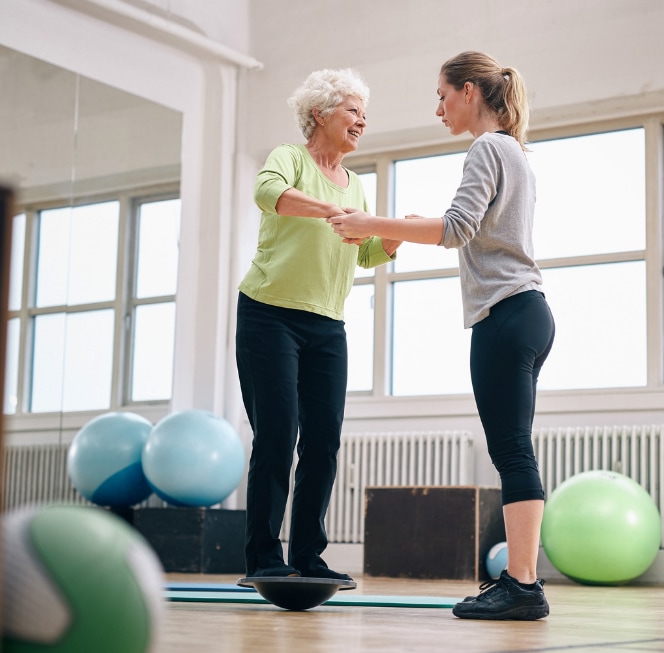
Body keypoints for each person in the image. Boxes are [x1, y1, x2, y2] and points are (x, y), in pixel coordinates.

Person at [328, 51, 555, 620]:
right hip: (528, 311)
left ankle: (523, 585)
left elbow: (457, 229)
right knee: (515, 449)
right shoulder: (516, 152)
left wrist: (372, 223)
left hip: (505, 314)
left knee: (510, 452)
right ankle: (524, 583)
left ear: (471, 91)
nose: (438, 108)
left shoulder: (487, 147)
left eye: (443, 95)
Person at [236, 68, 400, 582]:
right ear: (321, 114)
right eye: (352, 110)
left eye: (364, 113)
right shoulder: (290, 158)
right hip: (269, 315)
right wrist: (333, 210)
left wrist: (392, 238)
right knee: (277, 435)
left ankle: (308, 556)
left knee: (323, 440)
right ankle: (264, 557)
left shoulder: (359, 185)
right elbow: (270, 195)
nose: (361, 120)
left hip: (328, 325)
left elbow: (366, 252)